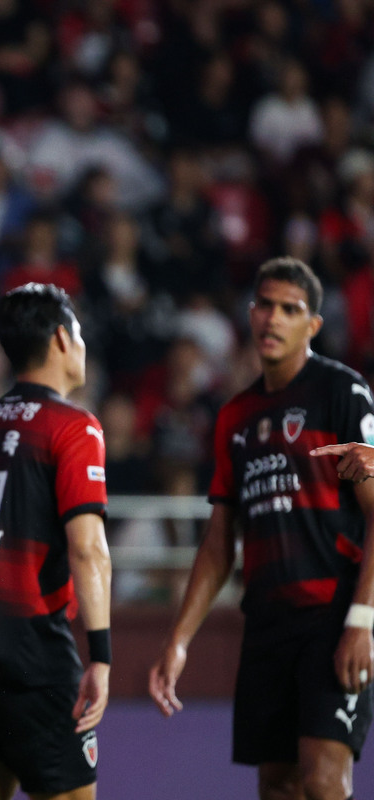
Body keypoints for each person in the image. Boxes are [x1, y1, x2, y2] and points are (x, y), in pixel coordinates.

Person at [149, 256, 374, 800]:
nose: (274, 318)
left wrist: (362, 620)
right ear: (250, 314)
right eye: (265, 305)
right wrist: (179, 641)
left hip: (331, 614)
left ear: (313, 324)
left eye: (290, 309)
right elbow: (219, 541)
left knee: (324, 779)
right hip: (267, 623)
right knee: (276, 785)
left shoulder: (340, 394)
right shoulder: (237, 417)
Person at [0, 282, 112, 800]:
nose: (82, 345)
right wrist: (101, 656)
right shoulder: (74, 426)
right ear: (61, 338)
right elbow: (87, 548)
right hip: (35, 652)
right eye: (78, 333)